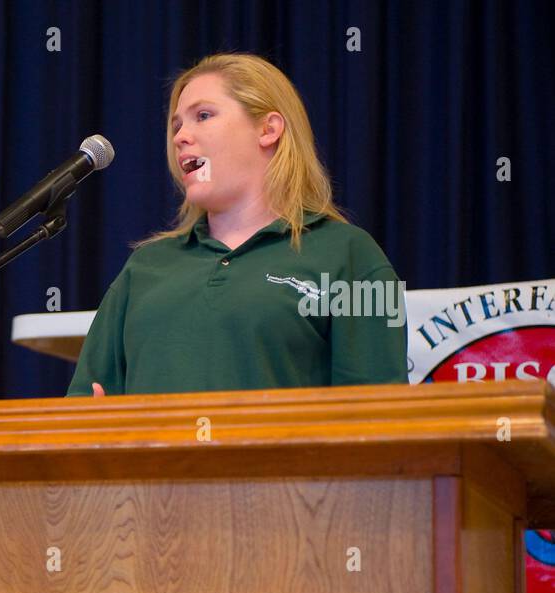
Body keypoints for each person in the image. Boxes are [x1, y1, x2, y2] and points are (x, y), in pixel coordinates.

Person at [68, 52, 408, 397]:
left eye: (203, 115)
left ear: (268, 129)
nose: (181, 136)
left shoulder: (351, 255)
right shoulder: (145, 267)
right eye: (176, 126)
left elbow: (378, 417)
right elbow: (83, 408)